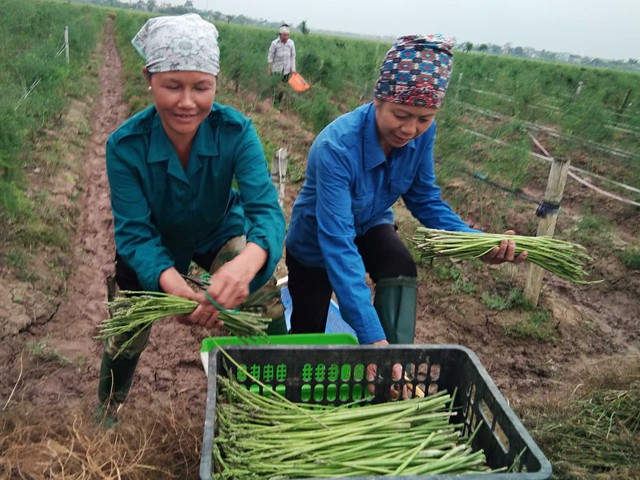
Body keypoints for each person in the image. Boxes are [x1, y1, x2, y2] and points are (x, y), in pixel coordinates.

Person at [98, 13, 286, 424]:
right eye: (172, 86)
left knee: (260, 290)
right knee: (127, 329)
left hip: (215, 230)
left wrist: (247, 264)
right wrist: (171, 286)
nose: (187, 102)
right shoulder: (125, 146)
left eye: (201, 87)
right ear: (149, 77)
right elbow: (135, 233)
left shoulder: (235, 132)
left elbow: (266, 213)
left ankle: (274, 396)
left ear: (215, 83)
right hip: (153, 245)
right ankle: (109, 408)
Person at [284, 34, 527, 346]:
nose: (411, 130)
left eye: (424, 119)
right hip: (317, 243)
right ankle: (373, 347)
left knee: (399, 267)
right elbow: (339, 245)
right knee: (308, 335)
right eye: (400, 115)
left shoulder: (420, 135)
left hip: (371, 223)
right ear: (378, 101)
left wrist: (480, 245)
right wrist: (371, 335)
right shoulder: (336, 148)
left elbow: (425, 199)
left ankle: (391, 365)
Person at [266, 24, 296, 104]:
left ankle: (277, 104)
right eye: (284, 35)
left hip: (286, 70)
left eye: (287, 35)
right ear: (280, 35)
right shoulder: (274, 43)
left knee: (282, 87)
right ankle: (272, 101)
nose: (286, 37)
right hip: (276, 69)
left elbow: (293, 56)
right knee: (275, 86)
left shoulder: (291, 43)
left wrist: (293, 70)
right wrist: (269, 68)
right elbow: (270, 55)